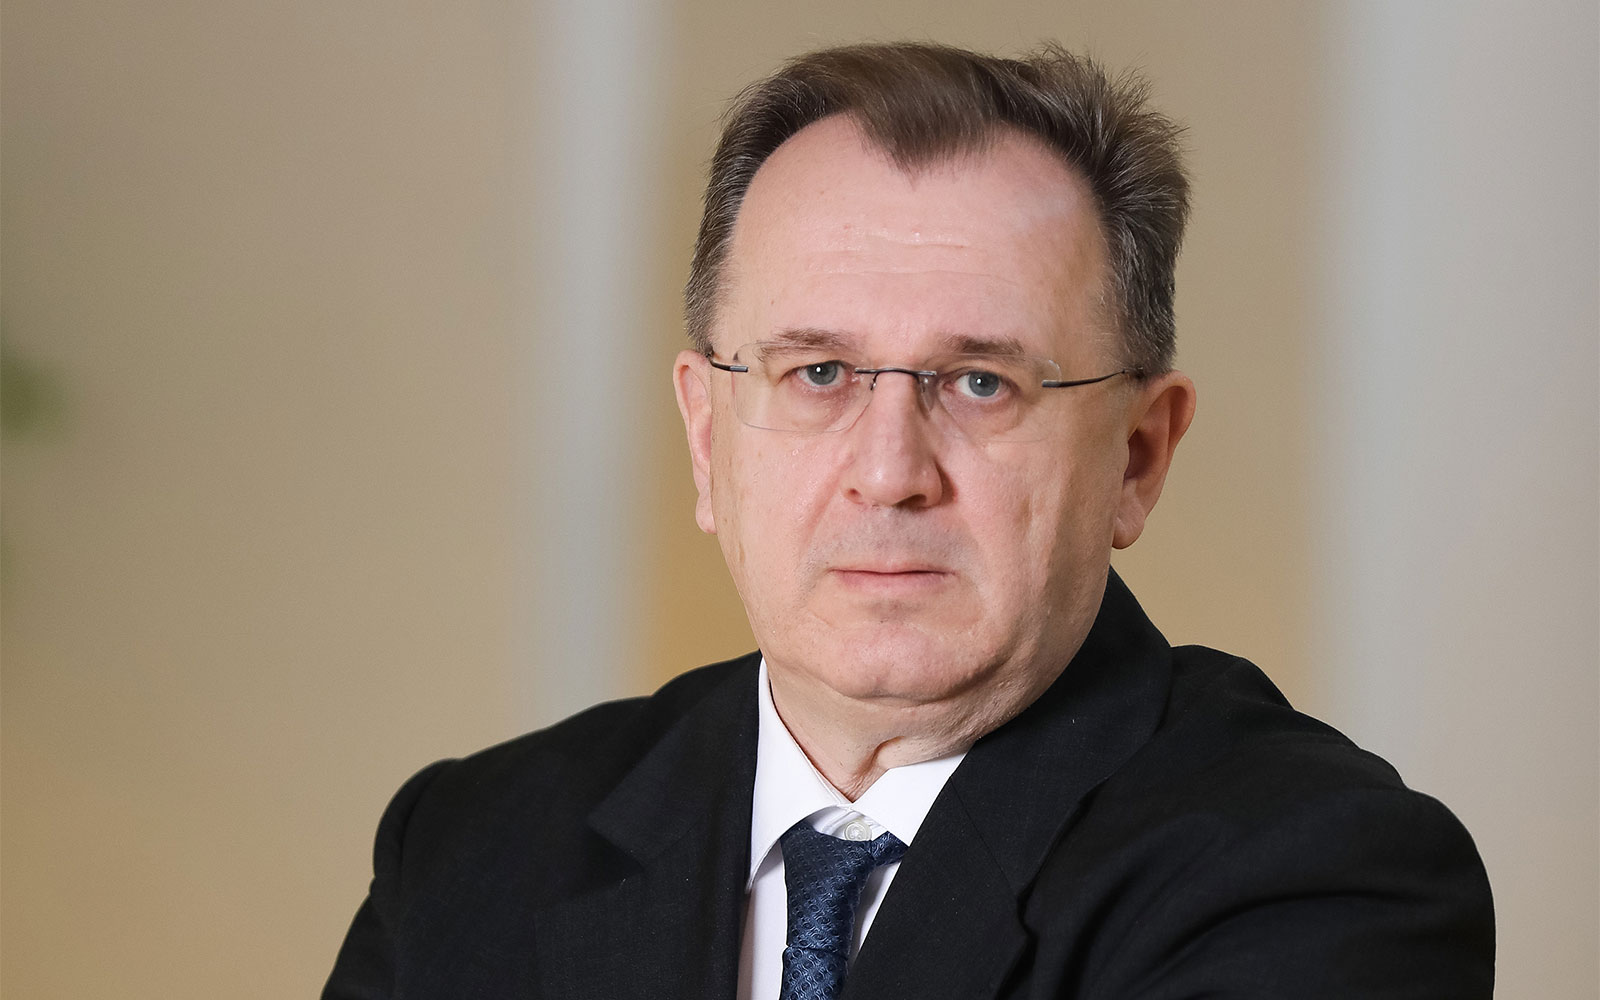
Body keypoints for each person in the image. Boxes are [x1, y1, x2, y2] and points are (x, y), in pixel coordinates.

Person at [323, 42, 1494, 999]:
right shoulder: (470, 847)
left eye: (981, 382)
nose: (888, 474)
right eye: (817, 373)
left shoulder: (1316, 874)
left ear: (1137, 457)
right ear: (706, 437)